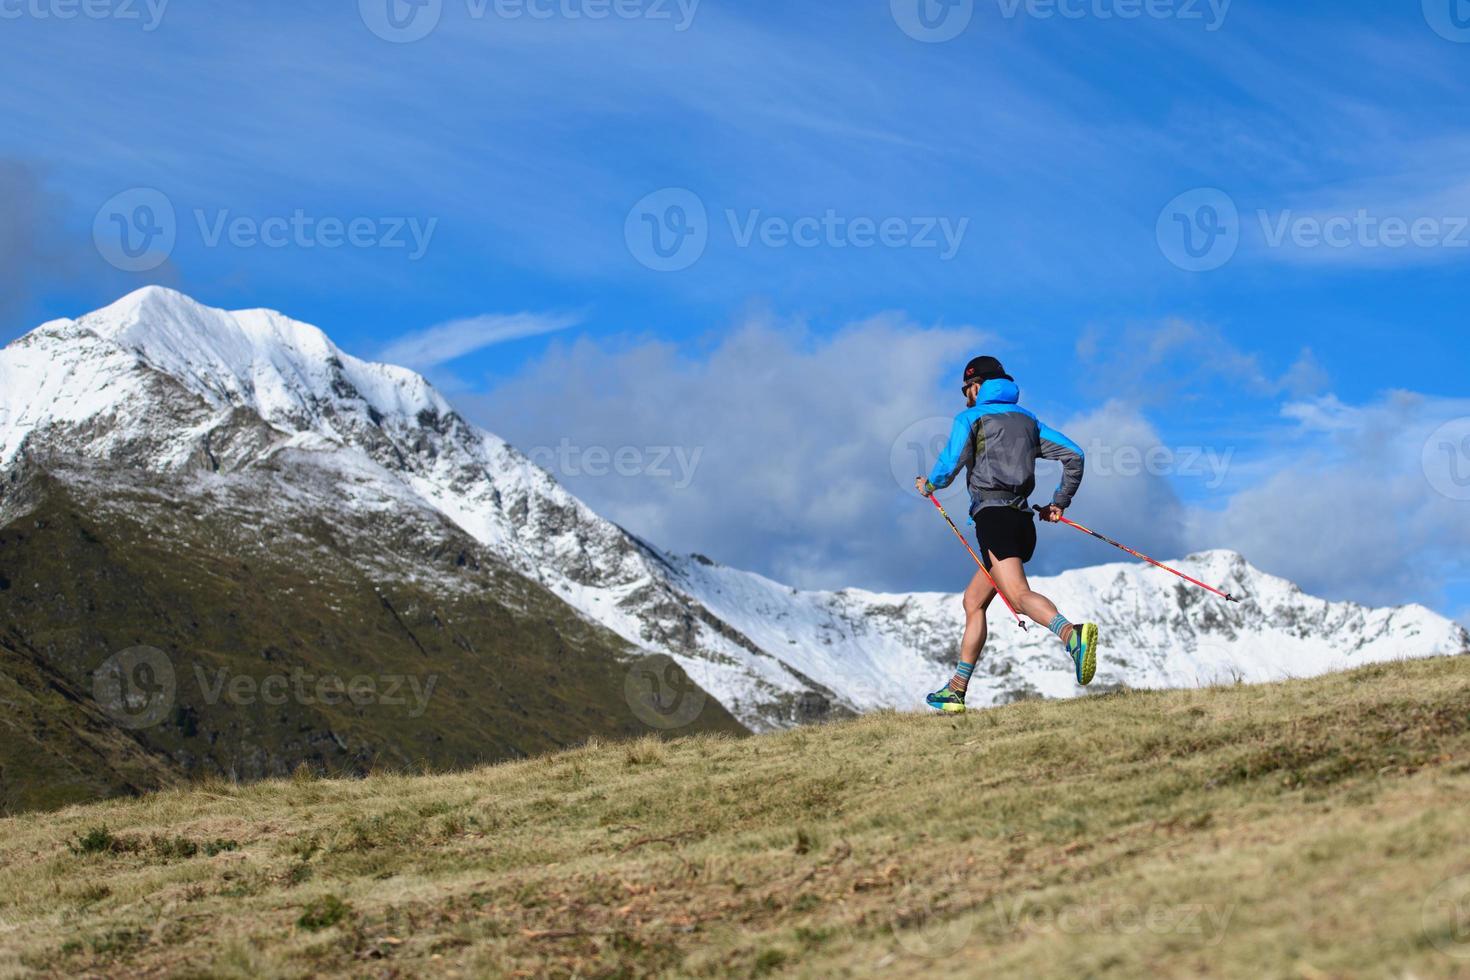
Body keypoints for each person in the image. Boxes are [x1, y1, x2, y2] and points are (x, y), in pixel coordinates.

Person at [916, 356, 1099, 713]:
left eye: (966, 388)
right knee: (974, 601)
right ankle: (955, 690)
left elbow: (951, 461)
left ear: (977, 385)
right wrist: (1059, 503)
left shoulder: (970, 418)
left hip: (993, 518)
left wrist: (930, 485)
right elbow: (1074, 455)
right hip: (1021, 520)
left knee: (1017, 597)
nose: (965, 395)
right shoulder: (1029, 420)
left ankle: (1070, 634)